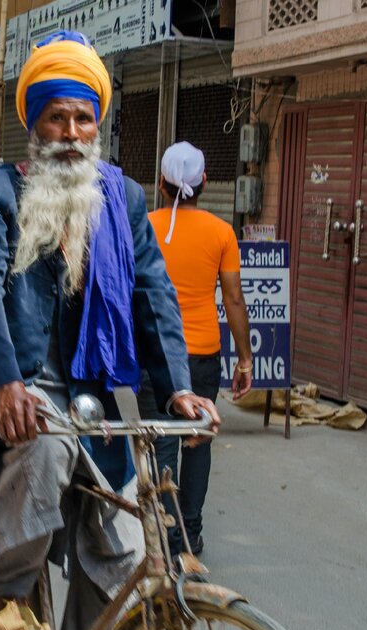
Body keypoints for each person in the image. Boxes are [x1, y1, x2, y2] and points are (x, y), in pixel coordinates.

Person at [0, 30, 220, 630]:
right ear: (35, 126)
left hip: (95, 390)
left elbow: (153, 292)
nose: (71, 132)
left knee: (123, 541)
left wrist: (179, 385)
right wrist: (8, 381)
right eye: (57, 118)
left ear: (96, 125)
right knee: (46, 440)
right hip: (18, 384)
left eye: (83, 118)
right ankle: (5, 592)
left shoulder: (122, 197)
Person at [140, 141, 254, 557]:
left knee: (163, 439)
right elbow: (235, 299)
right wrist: (245, 357)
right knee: (199, 440)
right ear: (204, 182)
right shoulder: (222, 232)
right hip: (203, 352)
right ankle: (190, 532)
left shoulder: (144, 226)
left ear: (161, 183)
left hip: (153, 354)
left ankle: (167, 534)